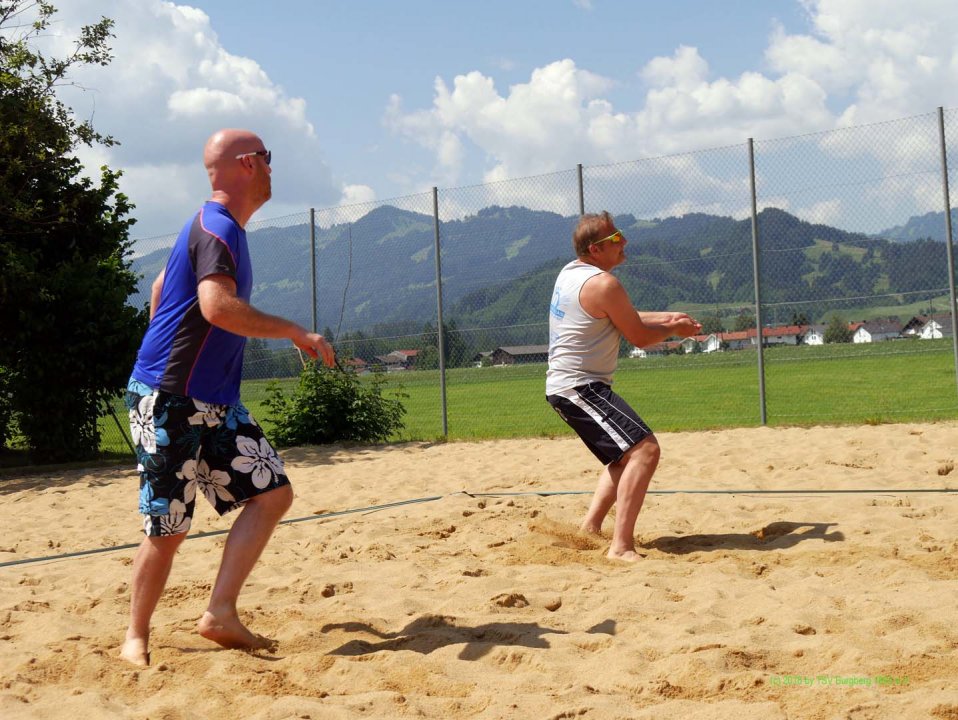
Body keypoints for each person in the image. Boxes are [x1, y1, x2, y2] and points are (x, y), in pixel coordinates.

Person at [120, 129, 335, 666]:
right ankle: (136, 637)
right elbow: (216, 306)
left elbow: (162, 285)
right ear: (247, 163)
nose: (271, 167)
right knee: (169, 526)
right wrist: (294, 332)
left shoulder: (217, 226)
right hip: (171, 398)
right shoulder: (217, 227)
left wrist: (169, 340)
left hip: (212, 398)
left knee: (272, 493)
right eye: (268, 157)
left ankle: (219, 613)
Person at [546, 211, 701, 562]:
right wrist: (673, 330)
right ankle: (621, 547)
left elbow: (621, 314)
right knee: (645, 451)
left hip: (572, 387)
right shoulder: (604, 284)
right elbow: (639, 336)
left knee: (623, 456)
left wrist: (668, 317)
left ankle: (590, 527)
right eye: (615, 238)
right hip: (579, 389)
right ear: (595, 250)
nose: (624, 241)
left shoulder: (571, 274)